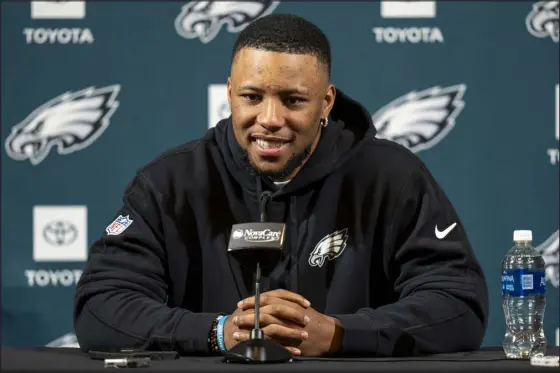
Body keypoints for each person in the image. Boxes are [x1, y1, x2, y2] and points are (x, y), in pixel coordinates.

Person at [73, 13, 489, 358]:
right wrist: (218, 333)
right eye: (252, 97)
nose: (270, 118)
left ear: (326, 102)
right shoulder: (168, 183)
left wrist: (342, 334)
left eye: (293, 100)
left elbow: (458, 304)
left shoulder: (394, 177)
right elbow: (102, 306)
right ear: (231, 94)